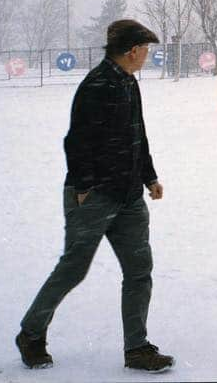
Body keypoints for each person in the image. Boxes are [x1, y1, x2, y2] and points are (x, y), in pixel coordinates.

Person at [15, 19, 175, 373]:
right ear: (132, 50)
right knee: (74, 268)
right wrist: (85, 188)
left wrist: (149, 178)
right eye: (145, 50)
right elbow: (76, 142)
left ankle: (137, 349)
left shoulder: (129, 84)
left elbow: (138, 135)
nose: (147, 56)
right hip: (95, 196)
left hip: (130, 196)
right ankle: (31, 333)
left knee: (139, 270)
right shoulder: (97, 85)